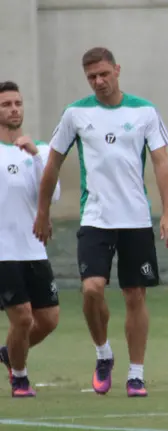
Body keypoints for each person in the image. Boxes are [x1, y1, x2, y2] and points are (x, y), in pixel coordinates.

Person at [33, 47, 168, 397]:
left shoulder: (144, 111)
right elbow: (51, 164)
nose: (99, 82)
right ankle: (103, 354)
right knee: (91, 289)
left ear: (117, 70)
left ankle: (136, 374)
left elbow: (161, 163)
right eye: (91, 77)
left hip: (136, 219)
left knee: (135, 296)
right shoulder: (75, 114)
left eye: (103, 74)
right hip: (96, 218)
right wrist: (42, 212)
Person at [0, 81, 61, 398]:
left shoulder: (41, 150)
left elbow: (54, 193)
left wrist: (37, 157)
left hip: (34, 249)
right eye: (6, 104)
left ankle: (8, 352)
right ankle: (20, 377)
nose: (13, 109)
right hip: (4, 252)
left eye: (17, 103)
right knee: (22, 316)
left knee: (48, 319)